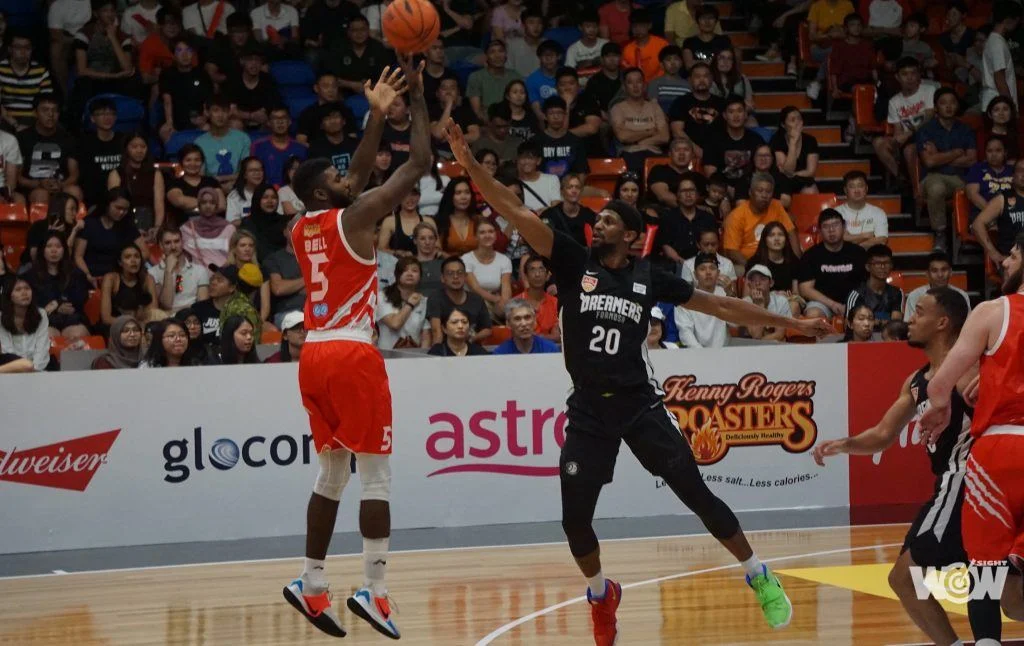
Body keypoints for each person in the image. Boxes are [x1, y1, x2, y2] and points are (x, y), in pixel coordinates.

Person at [445, 118, 831, 644]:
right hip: (588, 409)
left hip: (639, 405)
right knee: (575, 522)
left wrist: (794, 323)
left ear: (629, 236)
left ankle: (758, 573)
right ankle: (601, 594)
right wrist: (469, 164)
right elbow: (515, 211)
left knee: (696, 494)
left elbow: (720, 304)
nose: (598, 224)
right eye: (598, 218)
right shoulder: (572, 261)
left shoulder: (650, 278)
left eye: (608, 220)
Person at [283, 59, 429, 640]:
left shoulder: (301, 228)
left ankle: (311, 581)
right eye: (340, 178)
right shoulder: (358, 215)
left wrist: (375, 116)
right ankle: (375, 589)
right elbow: (418, 163)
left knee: (331, 475)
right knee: (376, 478)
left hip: (313, 355)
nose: (352, 178)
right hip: (350, 352)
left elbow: (359, 174)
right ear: (327, 191)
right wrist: (417, 98)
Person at [816, 287, 1003, 646]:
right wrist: (843, 444)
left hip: (967, 481)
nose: (908, 320)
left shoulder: (975, 370)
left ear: (943, 322)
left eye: (918, 312)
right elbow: (883, 435)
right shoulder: (917, 382)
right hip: (951, 485)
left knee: (909, 577)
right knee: (989, 584)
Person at [919, 235, 1024, 633]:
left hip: (997, 451)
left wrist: (941, 407)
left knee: (984, 569)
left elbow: (939, 384)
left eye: (1013, 255)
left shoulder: (991, 311)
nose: (1004, 262)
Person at [799, 209, 868, 319]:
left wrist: (852, 304)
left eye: (835, 225)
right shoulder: (810, 255)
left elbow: (867, 284)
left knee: (866, 312)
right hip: (823, 303)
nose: (831, 230)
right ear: (820, 231)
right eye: (826, 226)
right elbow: (805, 289)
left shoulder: (858, 252)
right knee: (813, 314)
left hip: (855, 302)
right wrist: (832, 304)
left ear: (844, 227)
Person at [973, 158, 1024, 263]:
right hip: (1012, 259)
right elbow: (977, 224)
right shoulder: (1002, 199)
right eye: (1020, 170)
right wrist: (994, 254)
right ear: (1013, 176)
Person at [150, 227, 210, 314]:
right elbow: (166, 304)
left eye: (177, 241)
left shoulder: (199, 271)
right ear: (161, 246)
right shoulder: (152, 273)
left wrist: (172, 312)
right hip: (166, 321)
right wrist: (168, 271)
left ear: (182, 242)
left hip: (192, 318)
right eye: (168, 243)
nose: (173, 247)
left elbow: (202, 307)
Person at [674, 253, 729, 348]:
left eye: (712, 268)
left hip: (724, 352)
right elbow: (686, 333)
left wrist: (731, 294)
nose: (708, 272)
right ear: (695, 274)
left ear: (718, 273)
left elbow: (736, 324)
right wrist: (702, 354)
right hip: (696, 353)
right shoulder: (685, 299)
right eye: (702, 269)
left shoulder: (725, 295)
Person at [376, 256, 431, 350]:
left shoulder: (424, 301)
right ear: (397, 275)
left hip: (414, 355)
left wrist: (422, 356)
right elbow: (395, 324)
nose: (410, 274)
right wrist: (410, 304)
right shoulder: (382, 296)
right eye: (405, 270)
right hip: (387, 354)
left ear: (420, 276)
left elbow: (426, 336)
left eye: (414, 271)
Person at [0, 276, 51, 371]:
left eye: (27, 288)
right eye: (18, 290)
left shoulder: (41, 314)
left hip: (38, 369)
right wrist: (22, 369)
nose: (24, 293)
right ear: (9, 295)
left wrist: (34, 370)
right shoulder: (1, 318)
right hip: (12, 368)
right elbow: (8, 350)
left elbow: (42, 347)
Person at [846, 244, 904, 326]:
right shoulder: (857, 294)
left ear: (891, 265)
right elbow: (849, 326)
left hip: (888, 334)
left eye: (886, 263)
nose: (882, 267)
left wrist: (873, 321)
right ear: (868, 267)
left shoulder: (897, 293)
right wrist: (881, 322)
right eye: (877, 263)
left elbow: (896, 325)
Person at [180, 187, 236, 268]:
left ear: (216, 205)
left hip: (223, 273)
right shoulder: (186, 229)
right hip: (196, 274)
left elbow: (234, 254)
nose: (208, 206)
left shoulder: (229, 228)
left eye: (212, 203)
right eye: (204, 202)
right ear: (199, 205)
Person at [980, 2, 1021, 112]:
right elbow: (1000, 79)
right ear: (1009, 20)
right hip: (999, 107)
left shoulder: (995, 40)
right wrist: (1010, 109)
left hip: (997, 105)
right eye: (1017, 21)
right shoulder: (997, 43)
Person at [904, 252, 971, 315]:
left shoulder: (962, 296)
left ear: (950, 272)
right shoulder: (915, 296)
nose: (940, 275)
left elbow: (968, 322)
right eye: (934, 271)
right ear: (927, 274)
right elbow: (910, 323)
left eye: (944, 270)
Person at [492, 299, 559, 354]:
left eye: (527, 317)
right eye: (517, 319)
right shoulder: (500, 353)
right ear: (508, 324)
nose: (524, 324)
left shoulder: (550, 350)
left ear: (535, 321)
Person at [139, 318, 206, 367]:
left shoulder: (196, 365)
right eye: (171, 336)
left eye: (182, 335)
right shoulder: (148, 366)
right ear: (159, 339)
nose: (178, 339)